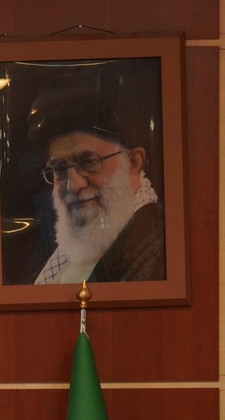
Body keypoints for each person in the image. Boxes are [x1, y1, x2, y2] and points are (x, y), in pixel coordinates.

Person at [23, 68, 165, 286]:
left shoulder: (158, 243)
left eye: (88, 162)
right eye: (60, 169)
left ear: (133, 163)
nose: (73, 185)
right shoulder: (69, 252)